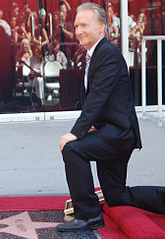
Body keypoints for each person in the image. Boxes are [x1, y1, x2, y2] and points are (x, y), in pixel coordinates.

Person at [57, 2, 165, 233]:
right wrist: (93, 126)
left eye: (85, 25)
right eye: (76, 25)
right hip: (110, 130)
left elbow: (96, 99)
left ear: (102, 28)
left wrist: (76, 133)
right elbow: (102, 99)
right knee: (116, 195)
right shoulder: (94, 54)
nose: (79, 30)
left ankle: (88, 216)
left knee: (73, 149)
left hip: (119, 133)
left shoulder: (107, 55)